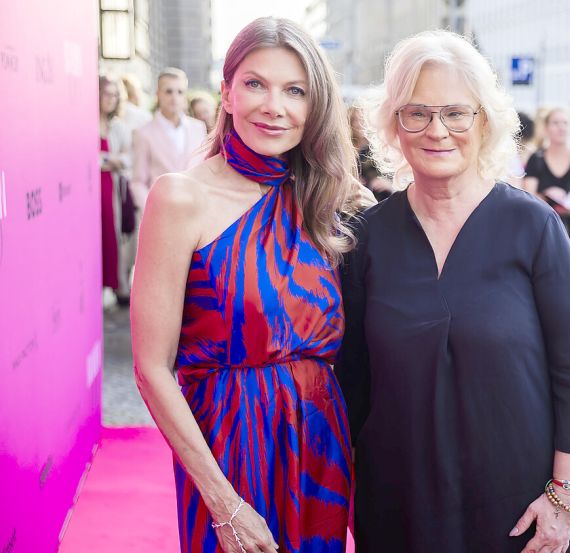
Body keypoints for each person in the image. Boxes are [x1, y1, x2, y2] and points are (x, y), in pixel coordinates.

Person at [339, 30, 570, 553]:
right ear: (394, 125)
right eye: (417, 113)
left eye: (456, 113)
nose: (438, 130)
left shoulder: (533, 227)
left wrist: (565, 497)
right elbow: (352, 381)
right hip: (399, 506)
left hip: (520, 509)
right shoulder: (365, 237)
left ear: (484, 123)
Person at [131, 17, 368, 553]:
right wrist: (223, 500)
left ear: (315, 107)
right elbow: (150, 368)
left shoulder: (327, 202)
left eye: (295, 91)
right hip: (229, 446)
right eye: (255, 84)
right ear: (227, 92)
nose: (274, 106)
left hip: (320, 443)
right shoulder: (180, 198)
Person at [523, 106, 570, 276]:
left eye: (565, 123)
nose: (561, 127)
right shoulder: (536, 158)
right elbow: (529, 196)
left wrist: (568, 208)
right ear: (546, 128)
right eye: (555, 123)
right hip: (544, 230)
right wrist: (549, 195)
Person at [131, 67, 208, 210]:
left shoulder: (198, 128)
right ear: (158, 94)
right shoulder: (143, 133)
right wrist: (152, 211)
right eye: (168, 91)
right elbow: (138, 182)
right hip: (160, 214)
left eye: (180, 92)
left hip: (195, 211)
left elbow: (204, 170)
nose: (174, 97)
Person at [98, 75, 130, 301]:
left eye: (115, 95)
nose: (111, 99)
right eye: (107, 94)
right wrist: (109, 160)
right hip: (90, 189)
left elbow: (127, 158)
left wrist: (108, 160)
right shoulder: (84, 123)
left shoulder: (117, 126)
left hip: (111, 187)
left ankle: (111, 284)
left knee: (112, 233)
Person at [349, 103, 393, 200]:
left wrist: (388, 184)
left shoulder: (378, 149)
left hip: (377, 198)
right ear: (350, 122)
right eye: (356, 120)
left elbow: (394, 178)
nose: (360, 124)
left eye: (363, 120)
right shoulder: (345, 148)